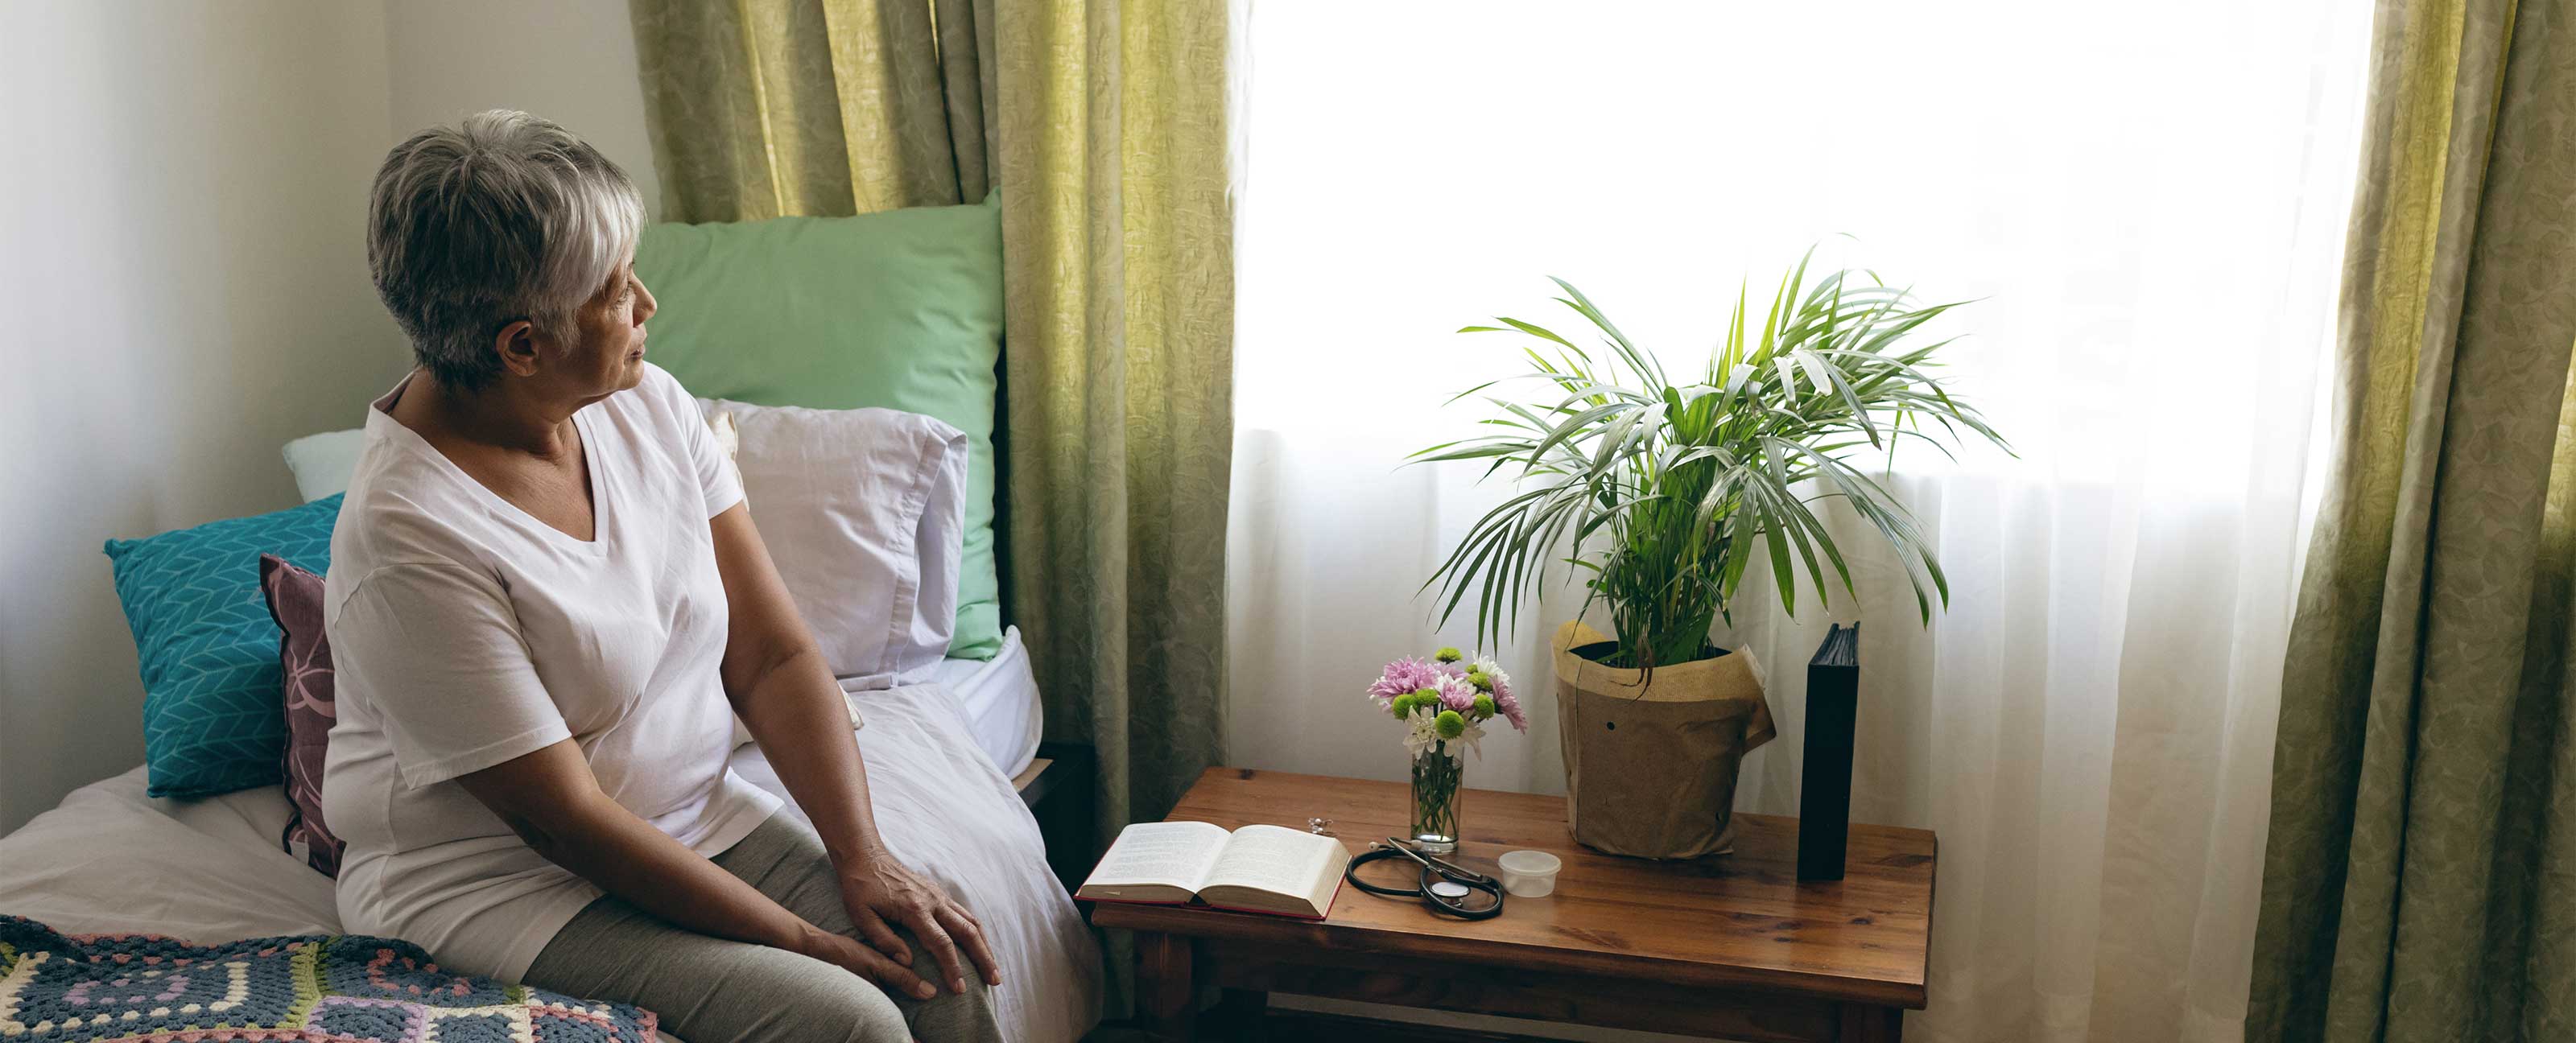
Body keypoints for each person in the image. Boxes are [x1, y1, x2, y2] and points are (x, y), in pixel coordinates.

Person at [322, 109, 1001, 1043]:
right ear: (523, 346)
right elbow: (566, 824)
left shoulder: (646, 404)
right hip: (507, 885)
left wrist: (864, 857)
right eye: (612, 293)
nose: (646, 304)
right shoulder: (407, 539)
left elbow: (768, 653)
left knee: (939, 971)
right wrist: (805, 941)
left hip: (693, 816)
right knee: (850, 1023)